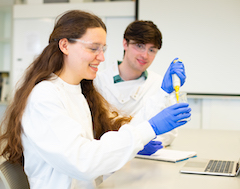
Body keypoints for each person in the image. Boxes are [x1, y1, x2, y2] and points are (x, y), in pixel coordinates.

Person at [0, 10, 191, 189]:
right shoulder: (45, 96)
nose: (101, 57)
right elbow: (83, 161)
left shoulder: (78, 91)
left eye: (103, 49)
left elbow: (101, 146)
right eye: (93, 48)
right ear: (65, 45)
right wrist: (149, 129)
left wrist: (162, 94)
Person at [94, 20, 186, 148]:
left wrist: (145, 141)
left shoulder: (161, 85)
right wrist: (134, 142)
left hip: (146, 160)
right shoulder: (98, 81)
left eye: (152, 50)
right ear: (125, 43)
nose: (145, 55)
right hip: (108, 156)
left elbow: (170, 132)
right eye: (139, 46)